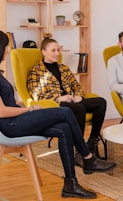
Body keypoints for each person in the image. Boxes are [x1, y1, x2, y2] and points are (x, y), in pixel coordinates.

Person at [0, 31, 116, 199]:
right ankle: (88, 158)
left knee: (63, 128)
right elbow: (2, 112)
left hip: (16, 120)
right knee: (66, 111)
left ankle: (71, 184)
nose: (7, 51)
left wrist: (21, 106)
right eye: (5, 47)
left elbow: (7, 104)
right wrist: (28, 109)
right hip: (10, 126)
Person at [27, 36, 106, 165]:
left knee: (100, 102)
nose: (57, 53)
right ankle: (79, 152)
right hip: (55, 104)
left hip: (71, 101)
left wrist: (78, 96)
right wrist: (58, 98)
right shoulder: (36, 71)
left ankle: (92, 142)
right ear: (43, 52)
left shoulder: (64, 68)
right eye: (53, 50)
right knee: (79, 108)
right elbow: (36, 96)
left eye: (58, 50)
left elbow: (76, 85)